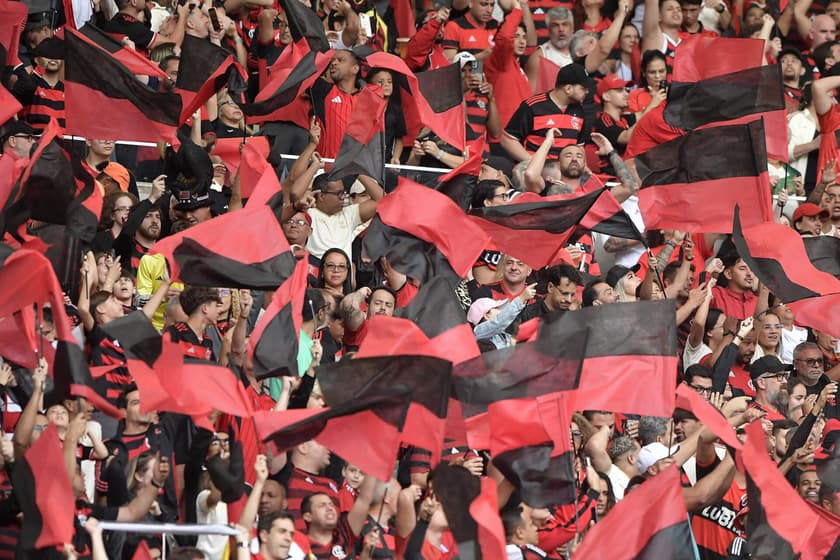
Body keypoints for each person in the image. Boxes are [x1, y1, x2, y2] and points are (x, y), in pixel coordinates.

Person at [503, 63, 588, 162]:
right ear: (568, 89)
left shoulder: (580, 111)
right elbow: (508, 140)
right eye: (583, 88)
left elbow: (579, 147)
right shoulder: (533, 106)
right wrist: (533, 164)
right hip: (535, 173)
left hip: (565, 174)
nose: (587, 92)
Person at [306, 174, 383, 260]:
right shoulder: (307, 215)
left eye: (344, 193)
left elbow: (382, 200)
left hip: (344, 272)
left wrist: (358, 173)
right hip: (314, 271)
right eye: (339, 193)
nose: (343, 197)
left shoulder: (349, 214)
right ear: (321, 196)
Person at [710, 253, 758, 320]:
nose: (749, 274)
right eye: (742, 269)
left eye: (752, 269)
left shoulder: (757, 301)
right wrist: (708, 271)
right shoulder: (716, 295)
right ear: (728, 274)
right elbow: (696, 298)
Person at [749, 356, 793, 421]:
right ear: (761, 383)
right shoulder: (752, 416)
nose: (785, 381)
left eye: (785, 376)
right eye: (779, 376)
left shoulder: (786, 412)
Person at [627, 50, 668, 114]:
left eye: (661, 71)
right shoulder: (634, 96)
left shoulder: (676, 93)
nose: (657, 76)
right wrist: (652, 105)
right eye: (652, 72)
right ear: (644, 72)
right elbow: (635, 123)